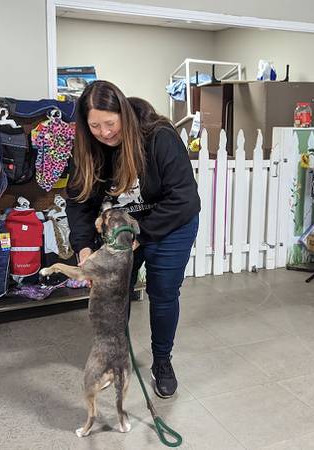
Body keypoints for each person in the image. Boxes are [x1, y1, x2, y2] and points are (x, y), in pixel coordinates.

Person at [66, 80, 200, 398]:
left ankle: (162, 363)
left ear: (123, 114)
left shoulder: (159, 137)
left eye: (110, 123)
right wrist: (84, 247)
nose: (105, 132)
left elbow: (184, 200)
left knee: (163, 293)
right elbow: (79, 201)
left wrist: (138, 234)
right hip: (121, 229)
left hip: (171, 224)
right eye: (95, 126)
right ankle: (115, 360)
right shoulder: (88, 148)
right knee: (113, 295)